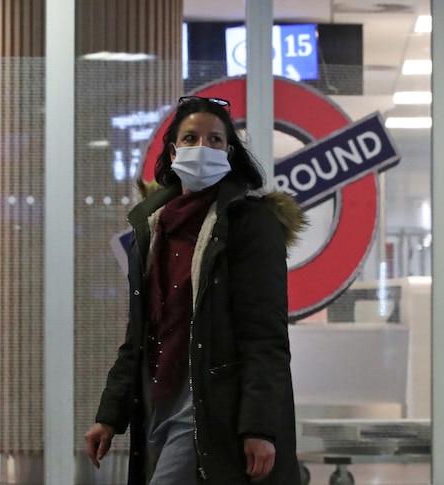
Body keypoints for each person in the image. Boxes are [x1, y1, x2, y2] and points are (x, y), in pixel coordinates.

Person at [85, 95, 306, 484]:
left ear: (229, 152)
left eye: (215, 140)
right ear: (173, 151)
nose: (202, 149)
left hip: (211, 405)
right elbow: (138, 336)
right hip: (156, 401)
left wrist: (260, 427)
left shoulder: (249, 225)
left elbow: (265, 337)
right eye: (190, 138)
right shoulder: (153, 228)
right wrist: (109, 416)